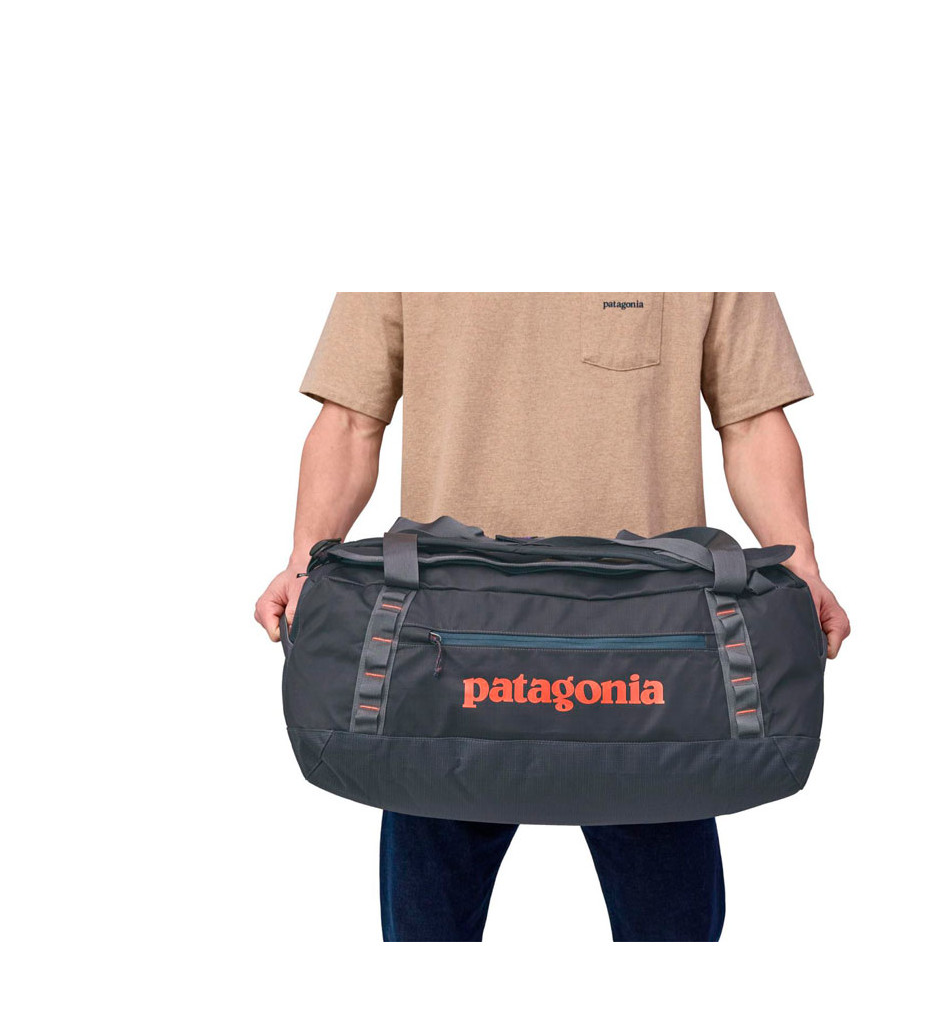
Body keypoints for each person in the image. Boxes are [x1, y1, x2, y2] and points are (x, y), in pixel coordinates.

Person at [255, 293, 849, 942]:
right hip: (446, 646)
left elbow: (752, 420)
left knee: (672, 939)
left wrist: (804, 569)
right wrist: (303, 561)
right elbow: (350, 419)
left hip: (651, 646)